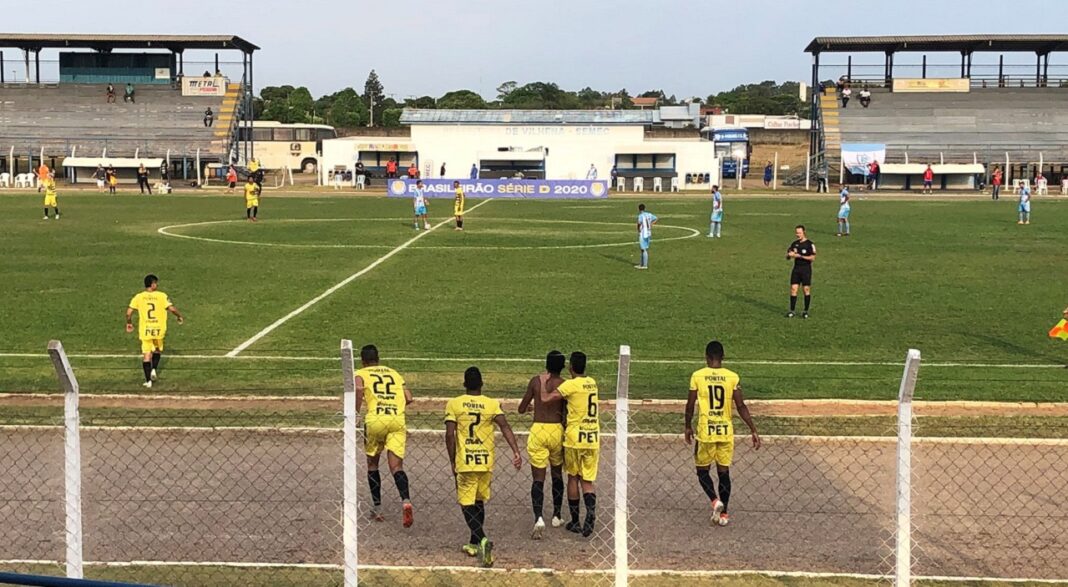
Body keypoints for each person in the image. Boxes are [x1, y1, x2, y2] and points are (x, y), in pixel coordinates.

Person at [445, 367, 522, 568]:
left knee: (465, 503)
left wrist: (452, 459)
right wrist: (516, 451)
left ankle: (482, 539)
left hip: (466, 460)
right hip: (485, 460)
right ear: (482, 384)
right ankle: (473, 543)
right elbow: (505, 426)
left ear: (464, 384)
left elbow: (450, 434)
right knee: (479, 501)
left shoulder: (454, 404)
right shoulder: (491, 404)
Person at [685, 340, 761, 527]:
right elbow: (741, 406)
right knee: (723, 471)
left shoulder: (698, 376)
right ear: (723, 358)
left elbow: (690, 404)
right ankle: (724, 513)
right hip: (726, 431)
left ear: (706, 357)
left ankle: (714, 500)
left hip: (706, 430)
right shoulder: (732, 377)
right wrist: (753, 429)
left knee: (702, 470)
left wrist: (687, 425)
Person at [539, 352, 599, 537]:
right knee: (587, 480)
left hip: (575, 438)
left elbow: (546, 398)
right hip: (593, 437)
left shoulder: (570, 385)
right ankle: (590, 511)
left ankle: (575, 520)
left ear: (571, 367)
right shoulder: (593, 383)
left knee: (573, 477)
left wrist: (543, 382)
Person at [354, 344, 414, 527]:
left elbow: (358, 389)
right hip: (396, 420)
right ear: (378, 358)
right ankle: (405, 500)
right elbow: (409, 397)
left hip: (375, 420)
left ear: (363, 361)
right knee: (396, 466)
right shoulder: (394, 373)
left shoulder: (361, 373)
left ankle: (378, 508)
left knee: (372, 463)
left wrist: (355, 412)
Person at [517, 350, 567, 539]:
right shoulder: (564, 384)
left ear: (546, 364)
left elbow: (521, 409)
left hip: (538, 430)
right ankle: (557, 515)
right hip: (556, 430)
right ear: (562, 366)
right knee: (556, 474)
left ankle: (538, 517)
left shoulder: (535, 381)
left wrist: (534, 406)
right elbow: (564, 411)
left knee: (538, 477)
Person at [125, 274, 184, 389]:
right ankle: (154, 369)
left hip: (146, 330)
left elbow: (128, 312)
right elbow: (172, 308)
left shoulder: (139, 297)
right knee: (157, 350)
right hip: (159, 329)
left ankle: (148, 381)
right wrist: (179, 316)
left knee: (147, 355)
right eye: (156, 283)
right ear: (152, 284)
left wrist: (129, 323)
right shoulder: (161, 296)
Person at [786, 225, 816, 318]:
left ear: (804, 232)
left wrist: (800, 256)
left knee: (806, 290)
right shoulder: (794, 244)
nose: (797, 235)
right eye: (796, 233)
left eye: (799, 233)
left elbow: (812, 258)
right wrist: (789, 255)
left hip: (806, 269)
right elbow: (788, 256)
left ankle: (805, 311)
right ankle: (792, 311)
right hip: (796, 269)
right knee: (793, 289)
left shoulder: (810, 244)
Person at [635, 203, 657, 270]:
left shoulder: (641, 216)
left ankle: (644, 265)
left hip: (643, 233)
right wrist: (651, 224)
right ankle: (641, 264)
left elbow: (639, 223)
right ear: (644, 208)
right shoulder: (649, 214)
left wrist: (638, 230)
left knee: (643, 249)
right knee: (643, 249)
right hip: (648, 232)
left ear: (639, 209)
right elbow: (656, 218)